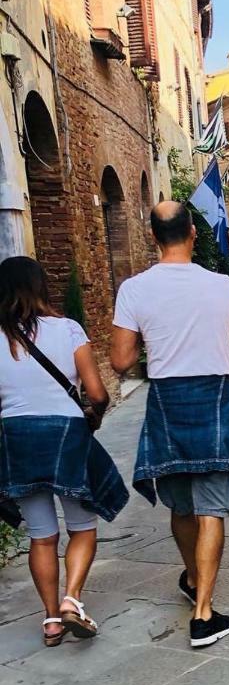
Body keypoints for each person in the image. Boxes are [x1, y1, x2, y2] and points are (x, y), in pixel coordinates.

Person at [111, 202, 229, 649]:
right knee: (211, 508)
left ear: (152, 236)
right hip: (216, 397)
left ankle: (196, 581)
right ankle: (203, 614)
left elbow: (120, 360)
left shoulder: (134, 289)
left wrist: (156, 353)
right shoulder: (221, 285)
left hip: (166, 401)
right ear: (193, 233)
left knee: (180, 504)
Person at [0, 257, 126, 646]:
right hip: (67, 434)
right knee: (83, 526)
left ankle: (51, 620)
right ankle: (72, 599)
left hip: (17, 437)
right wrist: (95, 417)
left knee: (41, 536)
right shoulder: (67, 329)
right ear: (42, 287)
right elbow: (97, 393)